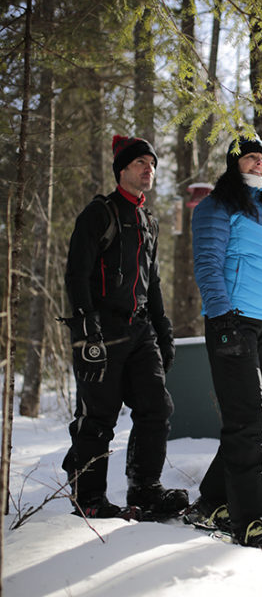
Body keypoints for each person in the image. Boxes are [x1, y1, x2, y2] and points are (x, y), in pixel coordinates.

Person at [61, 135, 188, 519]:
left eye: (152, 163)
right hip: (102, 331)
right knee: (98, 417)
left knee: (156, 408)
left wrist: (163, 330)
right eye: (139, 163)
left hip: (140, 330)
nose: (148, 169)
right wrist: (86, 326)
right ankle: (90, 499)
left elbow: (154, 281)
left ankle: (145, 489)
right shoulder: (100, 213)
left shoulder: (149, 220)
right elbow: (76, 273)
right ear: (122, 170)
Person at [184, 134, 262, 551]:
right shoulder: (216, 206)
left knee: (257, 424)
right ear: (234, 165)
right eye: (249, 159)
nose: (258, 166)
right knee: (247, 422)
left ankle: (213, 502)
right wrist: (224, 320)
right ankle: (254, 522)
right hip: (234, 324)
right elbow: (208, 265)